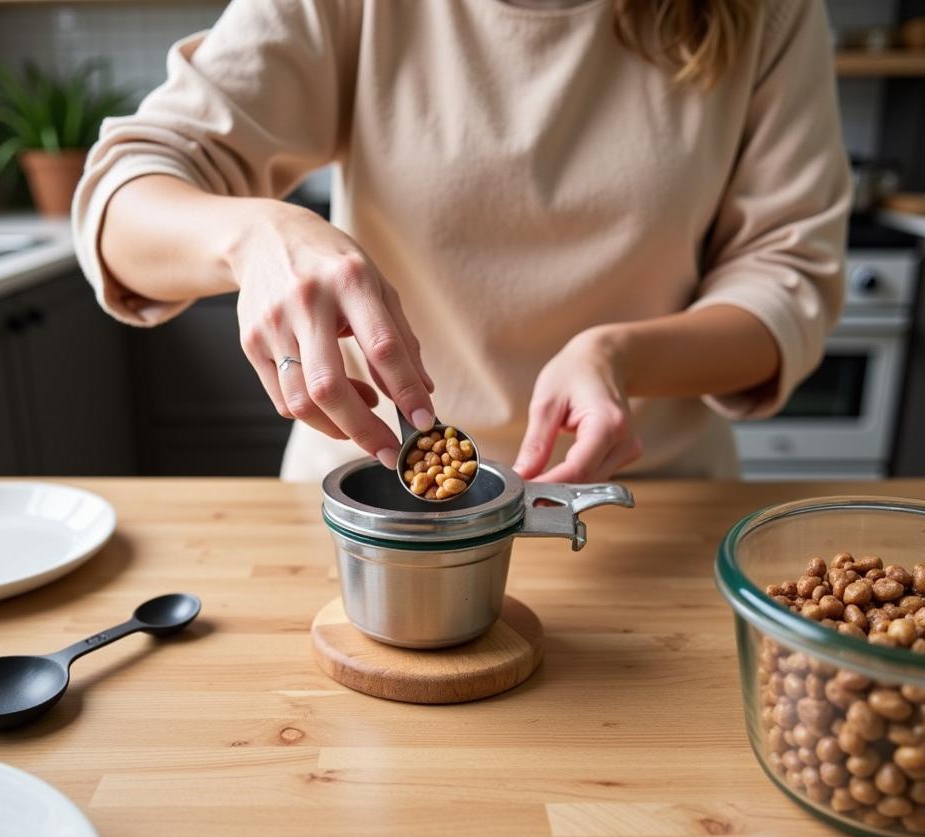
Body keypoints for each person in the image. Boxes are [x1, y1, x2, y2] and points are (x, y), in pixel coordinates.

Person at [73, 0, 850, 483]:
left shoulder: (767, 14)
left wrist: (620, 356)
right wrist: (257, 234)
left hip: (643, 505)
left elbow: (790, 282)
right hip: (369, 499)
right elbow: (122, 202)